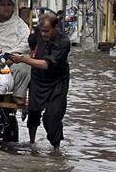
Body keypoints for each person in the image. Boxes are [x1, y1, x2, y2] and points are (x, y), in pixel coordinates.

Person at [11, 13, 71, 150]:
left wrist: (24, 59)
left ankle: (56, 148)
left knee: (53, 116)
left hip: (57, 80)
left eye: (47, 31)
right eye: (42, 31)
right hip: (38, 78)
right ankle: (32, 142)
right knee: (34, 111)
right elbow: (32, 43)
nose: (43, 34)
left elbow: (46, 64)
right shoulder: (37, 33)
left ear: (55, 28)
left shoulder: (64, 42)